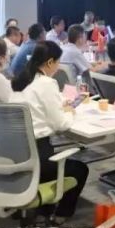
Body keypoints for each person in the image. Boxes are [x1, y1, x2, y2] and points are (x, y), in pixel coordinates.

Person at [10, 41, 89, 218]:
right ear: (50, 62)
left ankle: (43, 210)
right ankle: (60, 216)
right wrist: (71, 112)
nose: (58, 67)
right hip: (38, 156)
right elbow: (61, 125)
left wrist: (61, 106)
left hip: (16, 155)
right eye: (58, 62)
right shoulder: (47, 83)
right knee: (80, 169)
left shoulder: (22, 80)